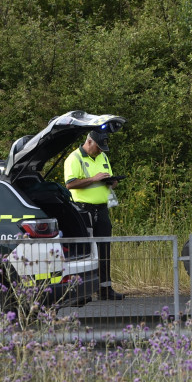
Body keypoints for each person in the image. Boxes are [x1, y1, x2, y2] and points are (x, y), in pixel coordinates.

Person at [65, 129, 125, 301]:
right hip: (84, 210)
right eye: (98, 147)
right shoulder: (74, 158)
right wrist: (94, 179)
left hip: (102, 209)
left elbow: (105, 179)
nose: (100, 151)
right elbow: (70, 184)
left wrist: (112, 183)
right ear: (89, 142)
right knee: (85, 252)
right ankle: (81, 293)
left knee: (104, 249)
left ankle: (105, 290)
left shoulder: (102, 157)